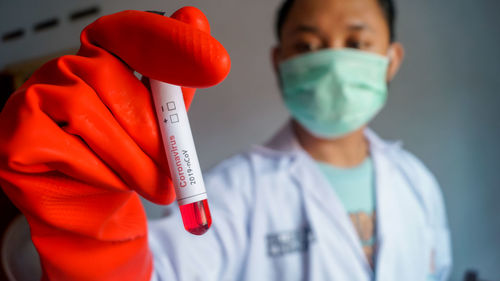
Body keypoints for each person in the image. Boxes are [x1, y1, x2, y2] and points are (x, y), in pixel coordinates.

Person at [0, 0, 451, 280]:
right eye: (307, 47)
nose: (331, 61)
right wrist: (83, 224)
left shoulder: (418, 183)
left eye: (356, 43)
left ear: (392, 59)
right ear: (278, 61)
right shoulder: (236, 193)